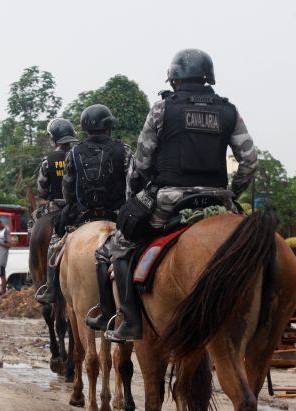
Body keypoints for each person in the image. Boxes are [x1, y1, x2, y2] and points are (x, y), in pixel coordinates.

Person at [100, 48, 259, 343]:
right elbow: (249, 161)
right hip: (219, 203)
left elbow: (143, 161)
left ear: (174, 79)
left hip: (170, 202)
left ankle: (131, 322)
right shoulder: (228, 111)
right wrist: (231, 193)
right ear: (208, 77)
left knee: (120, 247)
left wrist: (137, 193)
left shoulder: (162, 109)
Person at [35, 104, 134, 305]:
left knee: (55, 241)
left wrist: (72, 206)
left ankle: (51, 288)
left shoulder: (74, 152)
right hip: (116, 214)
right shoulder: (124, 150)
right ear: (108, 127)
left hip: (82, 214)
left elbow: (67, 189)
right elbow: (132, 184)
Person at [33, 118, 78, 221]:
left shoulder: (48, 160)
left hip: (56, 206)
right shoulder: (80, 156)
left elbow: (42, 190)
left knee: (33, 220)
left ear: (54, 138)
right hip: (79, 205)